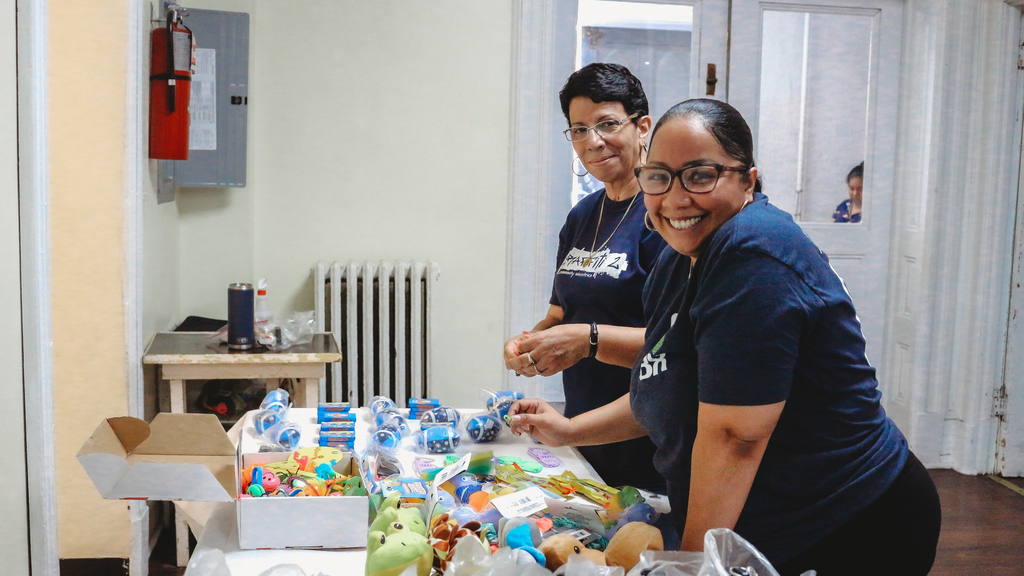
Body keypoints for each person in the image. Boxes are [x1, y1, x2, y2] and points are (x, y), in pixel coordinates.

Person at [509, 99, 941, 575]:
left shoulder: (751, 255)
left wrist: (692, 564)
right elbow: (672, 379)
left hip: (851, 521)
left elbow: (735, 436)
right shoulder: (681, 256)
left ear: (747, 180)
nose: (675, 198)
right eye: (658, 177)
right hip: (776, 524)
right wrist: (572, 430)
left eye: (700, 175)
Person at [503, 63, 667, 494]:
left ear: (642, 126)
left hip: (647, 435)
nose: (593, 141)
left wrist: (587, 340)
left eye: (607, 123)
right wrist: (528, 344)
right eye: (578, 129)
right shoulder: (583, 216)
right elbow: (560, 314)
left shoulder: (666, 216)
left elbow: (682, 348)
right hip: (582, 429)